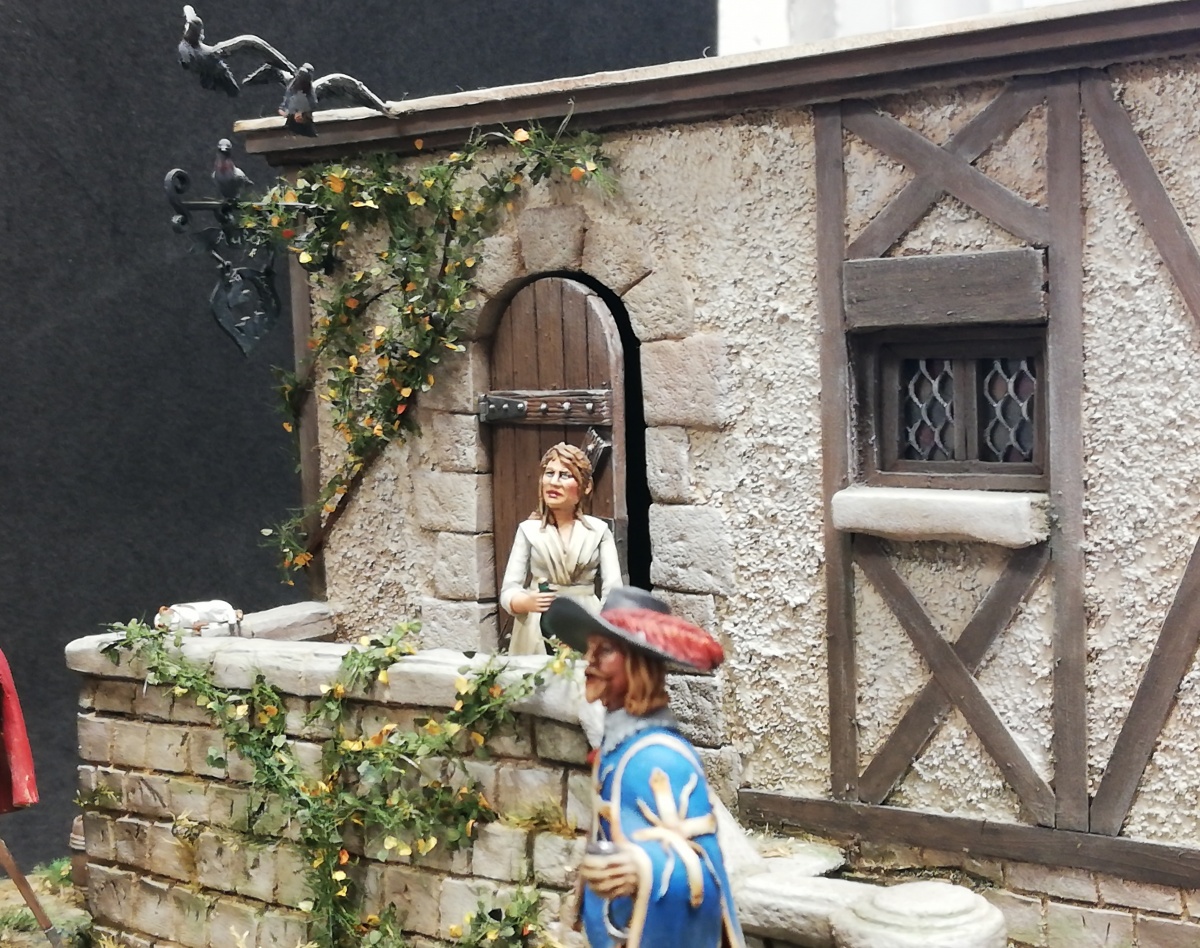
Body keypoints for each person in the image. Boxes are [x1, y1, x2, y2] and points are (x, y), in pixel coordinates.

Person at [542, 587, 745, 948]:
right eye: (589, 649)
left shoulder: (662, 756)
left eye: (604, 650)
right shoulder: (618, 748)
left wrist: (640, 867)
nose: (588, 661)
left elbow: (705, 864)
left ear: (636, 664)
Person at [499, 443, 622, 655]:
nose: (554, 482)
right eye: (549, 473)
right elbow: (509, 590)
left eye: (565, 475)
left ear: (585, 486)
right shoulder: (529, 531)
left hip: (584, 623)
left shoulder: (598, 532)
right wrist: (527, 602)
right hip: (536, 627)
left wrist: (602, 629)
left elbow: (614, 591)